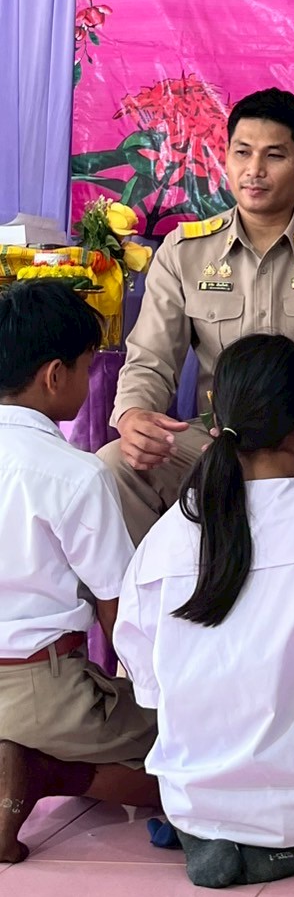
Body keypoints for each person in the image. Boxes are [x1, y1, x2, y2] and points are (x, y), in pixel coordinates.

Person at [114, 333, 294, 889]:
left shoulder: (163, 540)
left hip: (193, 795)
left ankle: (213, 835)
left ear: (214, 422)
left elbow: (151, 690)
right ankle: (287, 848)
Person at [103, 87, 294, 541]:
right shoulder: (184, 250)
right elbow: (150, 358)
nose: (254, 170)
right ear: (226, 156)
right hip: (217, 435)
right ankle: (159, 585)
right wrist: (134, 414)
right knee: (116, 465)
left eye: (274, 155)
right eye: (242, 152)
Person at [0, 282, 159, 864]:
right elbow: (118, 610)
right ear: (54, 375)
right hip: (38, 691)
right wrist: (163, 694)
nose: (94, 382)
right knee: (197, 745)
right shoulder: (74, 474)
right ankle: (47, 771)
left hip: (29, 684)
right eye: (89, 368)